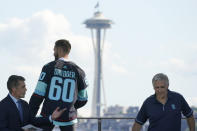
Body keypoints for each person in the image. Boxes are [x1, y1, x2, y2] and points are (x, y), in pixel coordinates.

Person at [29, 39, 88, 131]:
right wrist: (70, 106)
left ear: (59, 49)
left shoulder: (48, 67)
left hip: (48, 114)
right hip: (69, 117)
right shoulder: (79, 71)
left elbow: (38, 94)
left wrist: (30, 115)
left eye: (54, 50)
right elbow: (83, 99)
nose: (53, 52)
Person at [0, 75, 66, 131]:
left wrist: (51, 117)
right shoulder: (2, 106)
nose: (26, 89)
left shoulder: (24, 104)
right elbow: (2, 128)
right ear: (14, 89)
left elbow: (33, 120)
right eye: (23, 87)